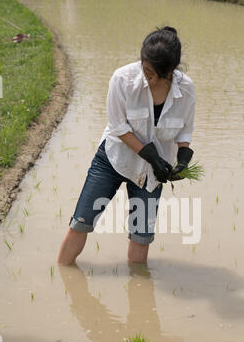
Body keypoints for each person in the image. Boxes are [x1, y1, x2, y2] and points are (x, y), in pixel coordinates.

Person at [57, 26, 196, 266]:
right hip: (113, 159)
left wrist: (182, 161)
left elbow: (184, 131)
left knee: (141, 236)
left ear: (170, 72)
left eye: (155, 74)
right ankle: (61, 275)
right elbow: (118, 126)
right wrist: (152, 156)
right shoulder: (122, 79)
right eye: (146, 69)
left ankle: (138, 292)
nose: (149, 77)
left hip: (154, 173)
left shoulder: (186, 88)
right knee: (81, 222)